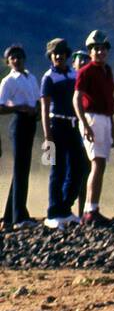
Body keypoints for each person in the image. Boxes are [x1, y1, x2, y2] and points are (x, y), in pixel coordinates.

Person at [72, 30, 114, 226]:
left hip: (105, 118)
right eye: (96, 49)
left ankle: (94, 207)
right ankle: (89, 209)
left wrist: (113, 130)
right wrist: (84, 123)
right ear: (90, 52)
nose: (99, 53)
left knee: (101, 164)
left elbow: (109, 100)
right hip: (92, 118)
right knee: (97, 163)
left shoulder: (107, 71)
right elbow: (77, 99)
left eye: (102, 49)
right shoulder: (86, 71)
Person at [39, 39, 85, 228]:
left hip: (73, 125)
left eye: (61, 53)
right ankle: (53, 211)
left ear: (67, 55)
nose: (58, 57)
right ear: (51, 57)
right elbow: (44, 106)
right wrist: (47, 134)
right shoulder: (48, 77)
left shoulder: (74, 75)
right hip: (56, 124)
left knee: (77, 168)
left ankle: (65, 207)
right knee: (57, 170)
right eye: (54, 54)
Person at [0, 45, 41, 229]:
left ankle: (9, 216)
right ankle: (20, 216)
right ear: (8, 61)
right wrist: (19, 107)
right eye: (12, 58)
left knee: (23, 169)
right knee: (20, 169)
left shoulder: (31, 77)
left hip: (31, 122)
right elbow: (0, 106)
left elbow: (37, 99)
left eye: (19, 57)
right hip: (19, 122)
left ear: (24, 58)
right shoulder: (8, 81)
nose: (16, 60)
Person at [69, 49, 91, 217]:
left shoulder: (91, 83)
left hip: (85, 132)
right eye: (79, 59)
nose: (82, 62)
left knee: (86, 171)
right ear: (73, 63)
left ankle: (83, 210)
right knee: (66, 171)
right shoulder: (68, 81)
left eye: (86, 59)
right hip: (67, 131)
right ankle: (63, 208)